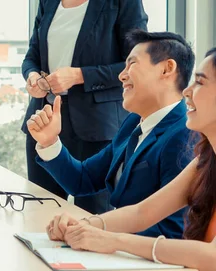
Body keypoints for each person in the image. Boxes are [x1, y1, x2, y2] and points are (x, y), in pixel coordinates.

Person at [45, 48, 216, 270]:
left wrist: (115, 241)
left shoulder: (179, 137)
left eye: (200, 83)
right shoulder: (205, 160)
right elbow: (142, 212)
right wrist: (82, 226)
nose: (187, 91)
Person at [27, 30, 196, 238]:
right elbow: (82, 179)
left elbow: (174, 231)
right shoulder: (133, 123)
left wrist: (95, 231)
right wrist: (50, 141)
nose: (121, 75)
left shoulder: (185, 135)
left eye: (132, 64)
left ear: (166, 69)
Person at [21, 0, 148, 214]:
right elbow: (31, 56)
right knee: (40, 212)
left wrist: (80, 76)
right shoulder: (48, 2)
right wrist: (32, 76)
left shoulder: (123, 3)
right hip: (45, 120)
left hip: (96, 126)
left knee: (93, 217)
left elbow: (136, 62)